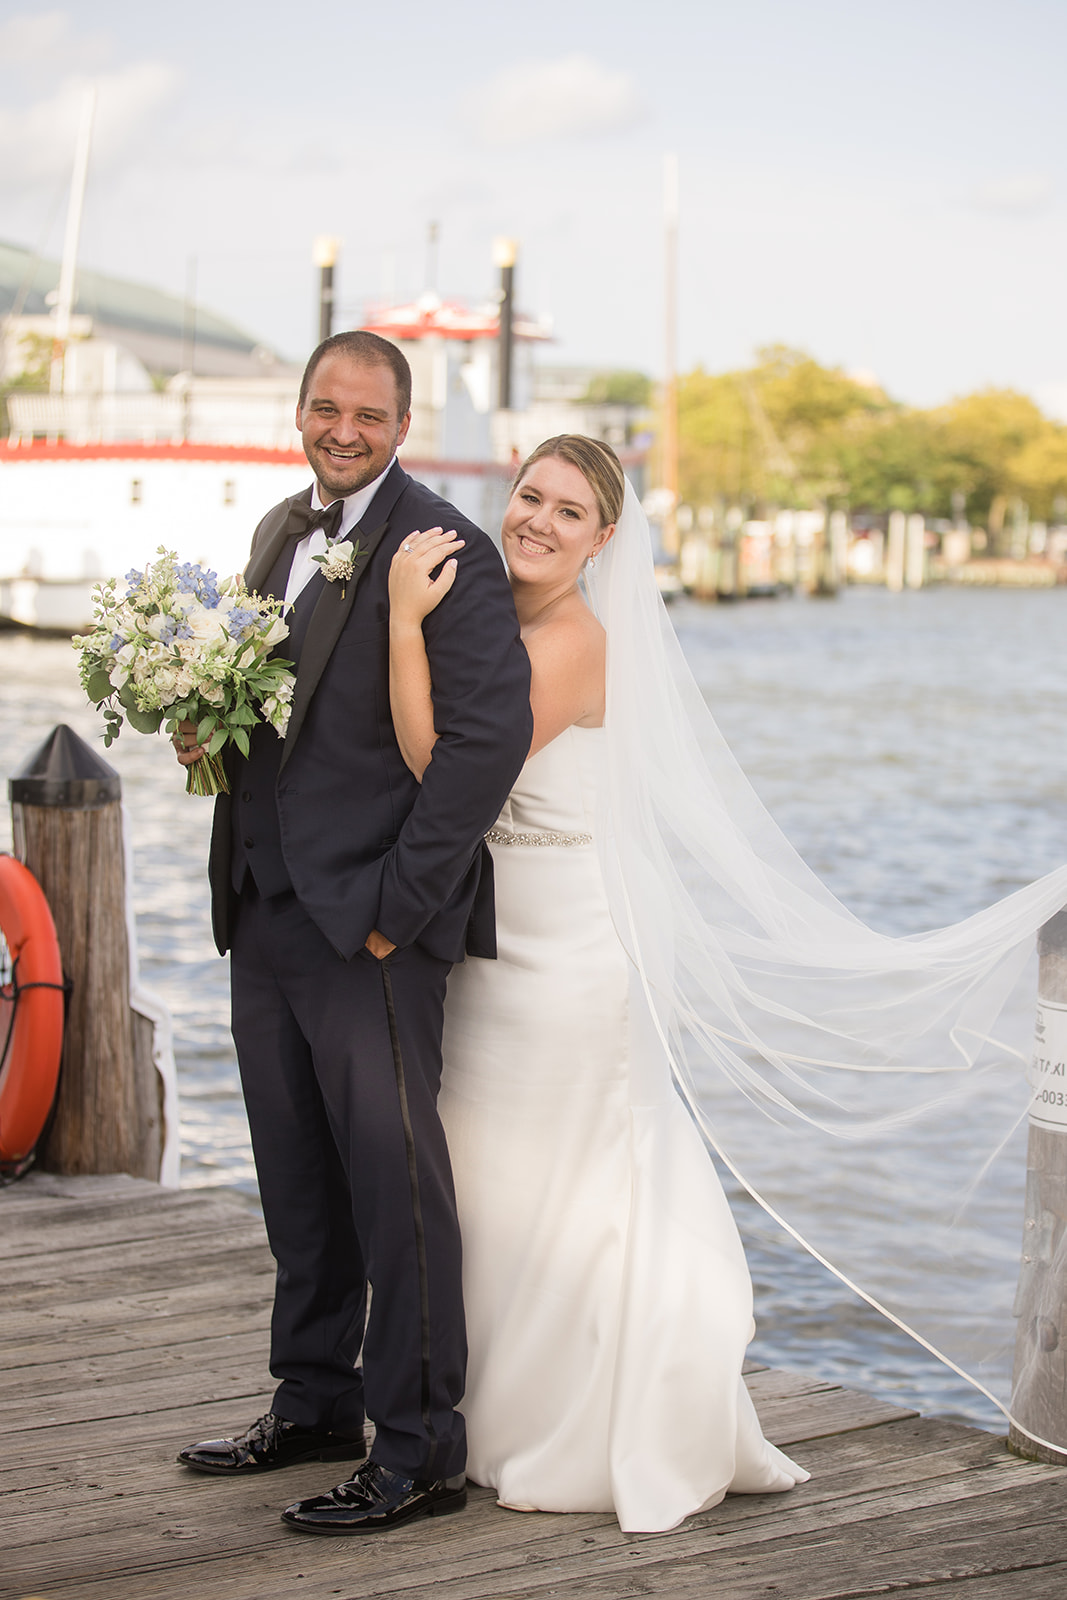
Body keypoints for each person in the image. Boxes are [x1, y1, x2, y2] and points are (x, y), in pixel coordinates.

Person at [386, 435, 809, 1532]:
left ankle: (575, 1421)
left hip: (563, 954)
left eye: (567, 511)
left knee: (567, 1184)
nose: (536, 519)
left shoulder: (570, 642)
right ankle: (477, 1410)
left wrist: (393, 623)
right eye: (528, 495)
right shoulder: (504, 622)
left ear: (603, 539)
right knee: (487, 1184)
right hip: (492, 942)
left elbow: (446, 771)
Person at [175, 330, 532, 1537]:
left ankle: (422, 1444)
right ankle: (314, 1400)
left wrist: (396, 917)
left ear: (402, 422)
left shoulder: (447, 549)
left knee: (397, 1194)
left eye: (366, 414)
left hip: (371, 930)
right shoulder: (281, 530)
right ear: (299, 410)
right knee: (297, 1178)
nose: (341, 429)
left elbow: (480, 752)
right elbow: (267, 707)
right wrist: (205, 736)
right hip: (265, 907)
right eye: (323, 407)